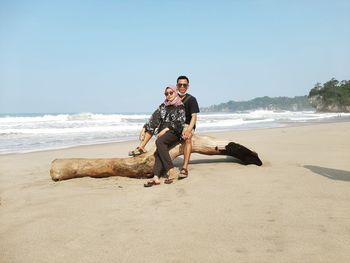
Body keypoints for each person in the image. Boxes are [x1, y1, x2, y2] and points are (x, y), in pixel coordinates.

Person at [129, 85, 186, 187]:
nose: (168, 95)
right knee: (158, 152)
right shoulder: (163, 106)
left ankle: (171, 170)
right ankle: (156, 177)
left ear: (175, 92)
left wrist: (165, 129)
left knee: (159, 142)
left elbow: (180, 122)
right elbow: (154, 118)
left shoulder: (180, 106)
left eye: (171, 92)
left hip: (174, 132)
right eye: (166, 93)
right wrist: (144, 128)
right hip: (163, 134)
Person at [176, 75, 199, 179]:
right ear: (177, 86)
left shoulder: (192, 99)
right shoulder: (173, 97)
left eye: (184, 85)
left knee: (188, 139)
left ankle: (184, 167)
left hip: (187, 124)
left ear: (188, 86)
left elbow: (194, 117)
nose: (182, 86)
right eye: (180, 84)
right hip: (175, 125)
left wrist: (189, 130)